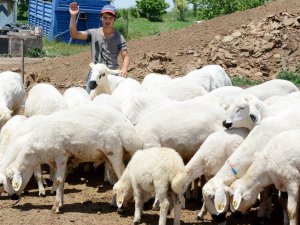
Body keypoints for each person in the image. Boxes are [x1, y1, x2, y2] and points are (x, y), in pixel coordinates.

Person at [69, 2, 129, 93]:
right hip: (95, 73)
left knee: (112, 101)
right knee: (89, 98)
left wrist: (124, 69)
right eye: (105, 17)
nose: (107, 20)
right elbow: (75, 34)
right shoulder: (93, 33)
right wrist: (73, 16)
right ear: (101, 18)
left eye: (110, 18)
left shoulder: (119, 37)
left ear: (114, 19)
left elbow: (126, 56)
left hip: (111, 73)